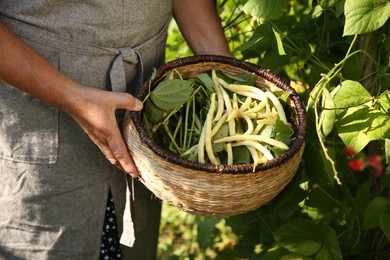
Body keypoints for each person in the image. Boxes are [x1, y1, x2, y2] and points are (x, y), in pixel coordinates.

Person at [0, 0, 231, 259]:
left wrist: (227, 79)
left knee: (133, 244)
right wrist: (72, 98)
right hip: (41, 116)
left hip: (141, 97)